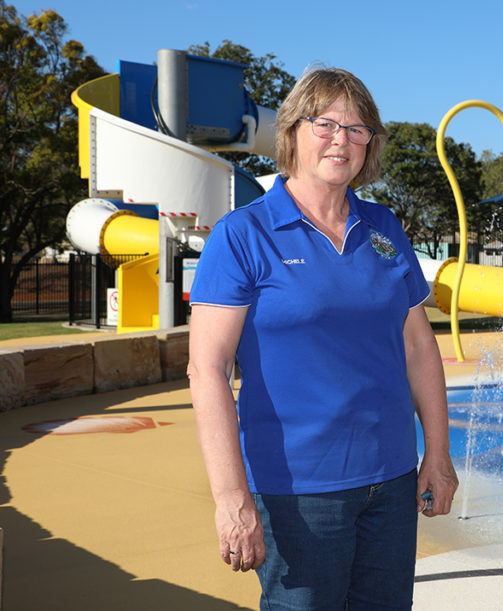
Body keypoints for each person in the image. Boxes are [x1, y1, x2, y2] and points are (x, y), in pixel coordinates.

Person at [187, 66, 458, 610]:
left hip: (392, 482)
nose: (343, 139)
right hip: (299, 495)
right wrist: (231, 498)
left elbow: (418, 347)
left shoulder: (384, 229)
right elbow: (207, 370)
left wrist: (439, 453)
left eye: (358, 128)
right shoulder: (242, 236)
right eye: (326, 123)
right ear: (291, 132)